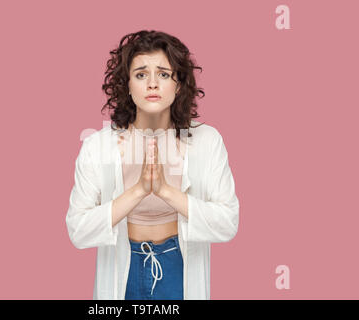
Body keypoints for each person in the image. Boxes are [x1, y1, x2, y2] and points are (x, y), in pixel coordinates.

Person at [65, 30, 240, 300]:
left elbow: (227, 222)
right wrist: (138, 190)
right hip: (125, 270)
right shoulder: (97, 145)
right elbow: (78, 229)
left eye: (163, 74)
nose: (152, 84)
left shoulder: (208, 141)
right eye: (141, 74)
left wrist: (165, 190)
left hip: (178, 267)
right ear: (127, 85)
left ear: (178, 84)